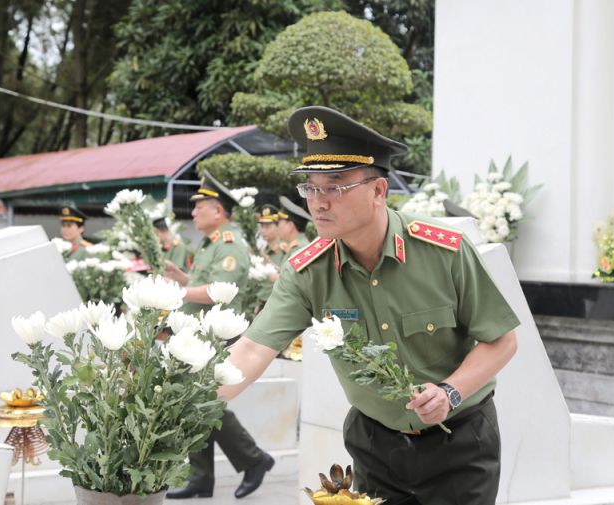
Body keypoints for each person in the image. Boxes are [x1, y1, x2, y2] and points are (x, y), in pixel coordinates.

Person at [215, 107, 520, 505]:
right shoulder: (308, 271)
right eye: (310, 188)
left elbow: (502, 340)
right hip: (376, 446)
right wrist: (188, 407)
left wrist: (450, 392)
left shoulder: (444, 252)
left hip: (460, 442)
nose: (318, 203)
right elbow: (254, 348)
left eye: (334, 188)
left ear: (378, 191)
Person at [164, 172, 274, 500]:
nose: (193, 212)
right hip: (201, 333)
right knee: (196, 404)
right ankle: (201, 478)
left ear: (218, 211)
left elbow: (218, 291)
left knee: (205, 402)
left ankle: (254, 459)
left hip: (217, 335)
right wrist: (181, 278)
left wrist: (179, 292)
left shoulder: (229, 245)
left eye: (200, 207)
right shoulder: (209, 244)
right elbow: (204, 283)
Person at [255, 204, 285, 308]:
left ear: (278, 227)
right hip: (260, 303)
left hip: (276, 304)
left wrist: (265, 259)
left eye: (268, 227)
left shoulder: (284, 250)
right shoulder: (263, 250)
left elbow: (285, 278)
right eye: (262, 227)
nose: (263, 230)